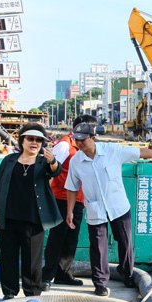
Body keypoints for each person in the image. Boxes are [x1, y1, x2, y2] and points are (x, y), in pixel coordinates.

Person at [65, 122, 152, 296]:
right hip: (95, 209)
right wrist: (69, 211)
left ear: (93, 138)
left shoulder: (112, 151)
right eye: (77, 140)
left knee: (126, 242)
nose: (80, 143)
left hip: (118, 206)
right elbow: (72, 187)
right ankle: (100, 283)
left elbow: (139, 152)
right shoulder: (76, 161)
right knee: (98, 247)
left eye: (83, 139)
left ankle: (126, 272)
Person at [0, 123, 61, 299]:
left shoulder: (44, 161)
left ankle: (32, 293)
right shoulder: (9, 160)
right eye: (30, 139)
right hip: (8, 216)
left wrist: (52, 161)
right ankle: (9, 292)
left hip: (33, 219)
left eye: (38, 140)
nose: (34, 143)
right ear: (22, 141)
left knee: (32, 260)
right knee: (8, 257)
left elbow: (55, 172)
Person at [40, 114, 98, 291]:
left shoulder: (85, 147)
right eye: (92, 129)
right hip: (61, 199)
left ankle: (63, 273)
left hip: (78, 199)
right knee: (57, 238)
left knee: (70, 239)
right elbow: (49, 169)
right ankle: (47, 276)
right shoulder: (65, 145)